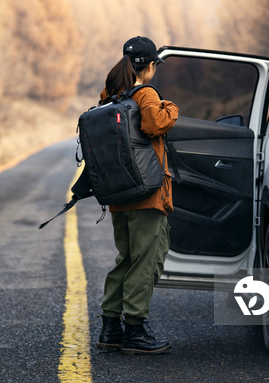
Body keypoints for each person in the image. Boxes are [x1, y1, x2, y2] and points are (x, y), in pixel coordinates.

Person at [97, 36, 179, 355]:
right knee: (146, 261)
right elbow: (155, 123)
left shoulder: (110, 94)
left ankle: (110, 328)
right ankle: (134, 331)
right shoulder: (145, 93)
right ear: (149, 66)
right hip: (146, 193)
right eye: (156, 64)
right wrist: (170, 106)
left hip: (119, 194)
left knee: (126, 260)